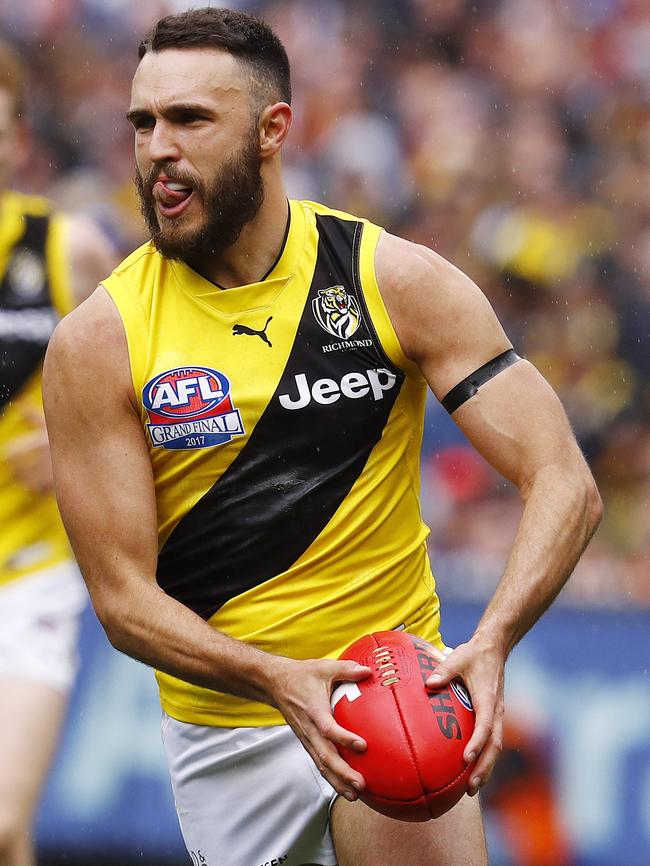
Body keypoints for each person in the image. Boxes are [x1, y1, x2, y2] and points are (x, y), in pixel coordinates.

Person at [42, 8, 602, 866]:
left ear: (273, 130)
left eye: (191, 119)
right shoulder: (98, 341)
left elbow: (564, 478)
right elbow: (122, 601)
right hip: (231, 734)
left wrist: (489, 643)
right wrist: (276, 679)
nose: (158, 147)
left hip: (396, 701)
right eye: (143, 122)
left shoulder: (394, 281)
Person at [0, 40, 116, 866]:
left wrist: (72, 444)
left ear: (17, 141)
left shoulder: (65, 248)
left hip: (28, 571)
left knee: (2, 821)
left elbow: (157, 377)